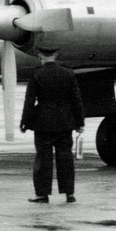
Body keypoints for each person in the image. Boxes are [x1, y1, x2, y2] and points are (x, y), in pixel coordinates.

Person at [19, 48, 85, 204]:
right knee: (66, 158)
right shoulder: (68, 73)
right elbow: (76, 100)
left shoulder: (36, 74)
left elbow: (29, 101)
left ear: (40, 56)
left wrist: (25, 122)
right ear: (56, 55)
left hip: (43, 123)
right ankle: (69, 193)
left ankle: (42, 195)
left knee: (43, 159)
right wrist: (80, 122)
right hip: (65, 122)